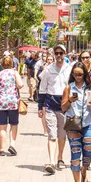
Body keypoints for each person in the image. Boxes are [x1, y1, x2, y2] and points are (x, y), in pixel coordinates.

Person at [61, 62, 91, 182]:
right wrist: (70, 100)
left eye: (81, 74)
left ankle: (84, 169)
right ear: (72, 74)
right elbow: (63, 107)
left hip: (88, 122)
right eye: (75, 74)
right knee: (75, 152)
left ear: (85, 74)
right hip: (72, 123)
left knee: (89, 151)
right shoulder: (68, 88)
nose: (78, 77)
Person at [38, 44, 71, 174]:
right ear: (53, 55)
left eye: (61, 53)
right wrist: (41, 107)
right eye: (56, 53)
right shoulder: (48, 70)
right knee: (52, 134)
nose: (58, 55)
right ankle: (51, 161)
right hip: (51, 104)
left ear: (65, 54)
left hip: (64, 105)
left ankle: (60, 158)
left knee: (62, 135)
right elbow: (42, 89)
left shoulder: (69, 69)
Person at [0, 54, 24, 156]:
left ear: (1, 64)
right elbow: (20, 85)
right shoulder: (14, 73)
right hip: (13, 102)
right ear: (12, 63)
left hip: (1, 103)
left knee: (2, 126)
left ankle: (1, 149)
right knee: (14, 124)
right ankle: (12, 144)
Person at [37, 53, 54, 135]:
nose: (50, 61)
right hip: (44, 91)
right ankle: (45, 130)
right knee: (44, 110)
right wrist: (44, 69)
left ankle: (51, 128)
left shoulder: (55, 68)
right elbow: (39, 77)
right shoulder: (43, 67)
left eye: (51, 59)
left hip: (52, 92)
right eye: (48, 59)